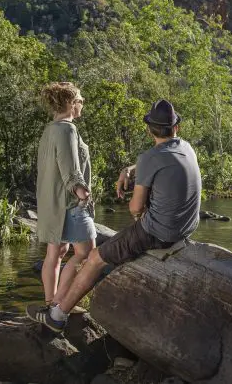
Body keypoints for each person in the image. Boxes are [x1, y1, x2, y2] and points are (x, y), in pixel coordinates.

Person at [27, 99, 202, 332]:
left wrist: (137, 197)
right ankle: (58, 303)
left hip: (159, 232)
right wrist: (129, 170)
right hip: (186, 228)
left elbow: (135, 208)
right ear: (176, 128)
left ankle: (57, 316)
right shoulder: (186, 148)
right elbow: (156, 162)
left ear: (149, 130)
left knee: (95, 257)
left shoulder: (149, 158)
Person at [35, 82, 97, 311]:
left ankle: (49, 303)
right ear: (71, 104)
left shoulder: (50, 129)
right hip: (69, 203)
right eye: (80, 100)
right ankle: (59, 304)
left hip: (52, 202)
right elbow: (69, 167)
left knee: (56, 252)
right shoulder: (67, 129)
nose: (82, 104)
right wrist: (82, 193)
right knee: (86, 254)